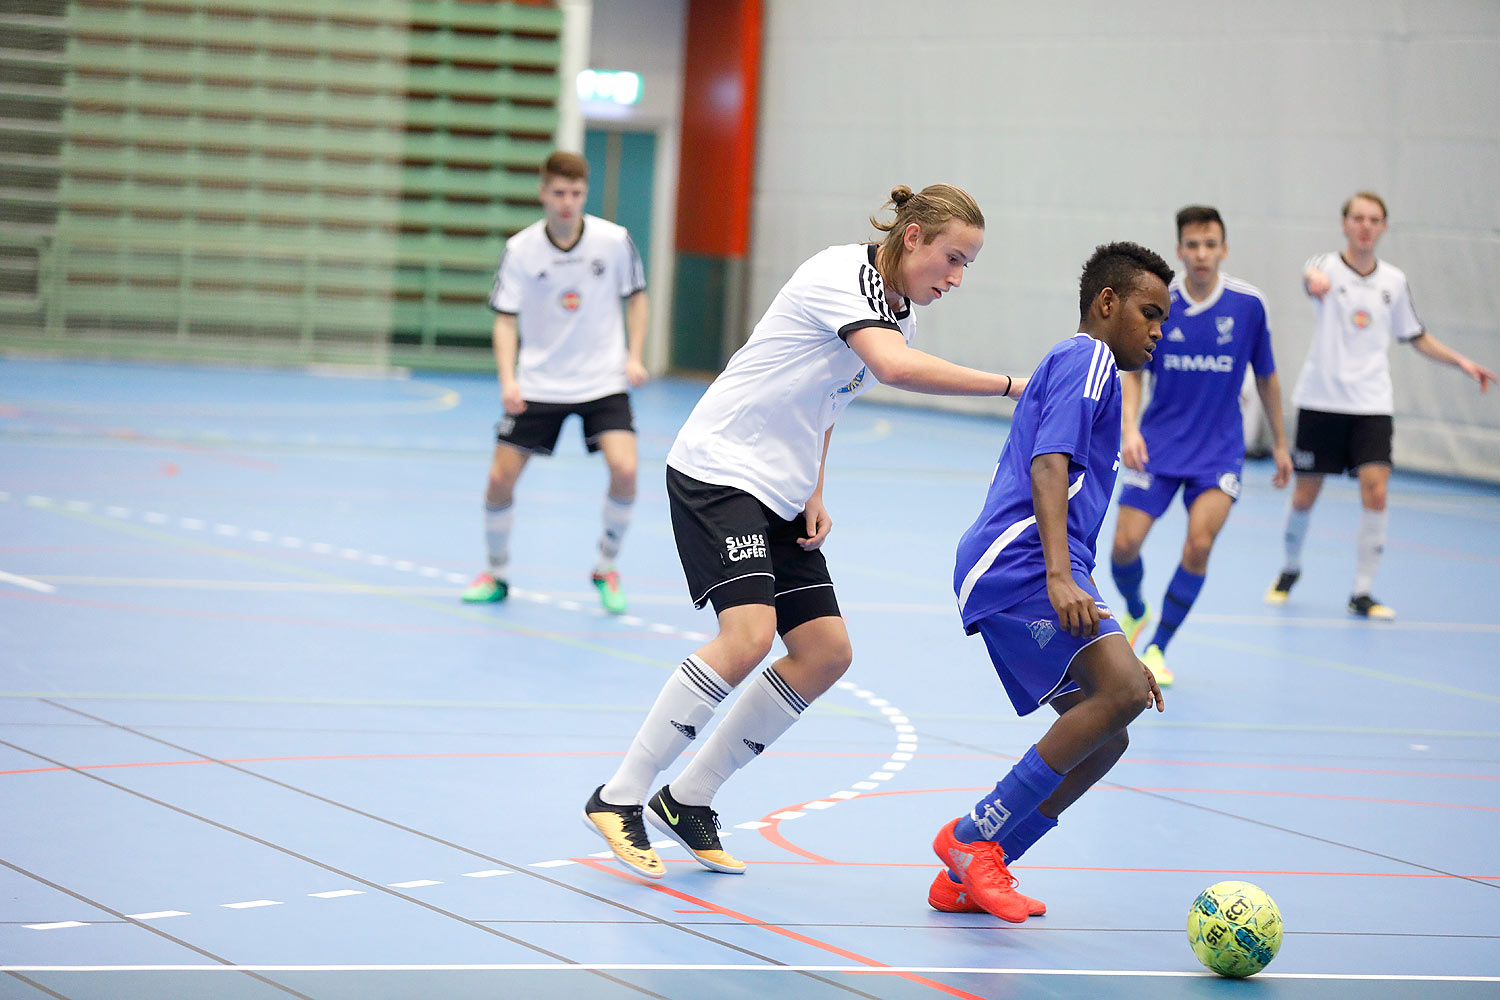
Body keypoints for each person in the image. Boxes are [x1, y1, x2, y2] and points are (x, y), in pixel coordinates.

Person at [582, 184, 1029, 879]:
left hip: (782, 493)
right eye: (952, 258)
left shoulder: (898, 311)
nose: (957, 278)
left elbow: (827, 399)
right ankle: (620, 796)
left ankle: (689, 797)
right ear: (911, 236)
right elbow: (892, 368)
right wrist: (1012, 387)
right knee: (749, 636)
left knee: (824, 653)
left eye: (967, 264)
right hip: (721, 469)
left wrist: (815, 487)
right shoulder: (840, 275)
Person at [930, 242, 1170, 923]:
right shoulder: (1088, 358)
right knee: (1119, 690)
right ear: (1106, 303)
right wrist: (1061, 576)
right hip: (1018, 565)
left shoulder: (1096, 373)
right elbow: (1049, 466)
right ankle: (972, 839)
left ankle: (976, 870)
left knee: (1110, 729)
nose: (1156, 331)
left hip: (1042, 566)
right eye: (1148, 313)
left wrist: (1106, 626)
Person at [1265, 192, 1495, 619]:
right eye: (1357, 218)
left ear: (1384, 226)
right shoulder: (1325, 267)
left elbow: (1415, 335)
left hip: (1372, 404)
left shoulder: (1394, 281)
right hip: (1321, 401)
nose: (1365, 225)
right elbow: (1309, 276)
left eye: (1374, 219)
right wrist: (1311, 282)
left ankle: (1362, 592)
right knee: (1304, 495)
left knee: (1377, 490)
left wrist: (1461, 362)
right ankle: (1290, 568)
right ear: (1345, 224)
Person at [1108, 207, 1293, 688]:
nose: (1201, 253)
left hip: (1218, 451)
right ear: (1179, 251)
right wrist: (1130, 429)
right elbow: (1133, 371)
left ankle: (1157, 648)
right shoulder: (1158, 302)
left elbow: (1268, 377)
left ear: (1223, 249)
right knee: (1123, 547)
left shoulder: (1248, 305)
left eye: (1210, 244)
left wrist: (1280, 444)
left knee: (1199, 543)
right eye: (1192, 245)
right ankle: (1136, 610)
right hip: (1159, 445)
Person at [462, 151, 649, 614]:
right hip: (539, 383)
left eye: (577, 194)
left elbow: (637, 298)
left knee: (625, 470)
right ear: (544, 193)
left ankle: (606, 566)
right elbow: (505, 321)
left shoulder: (614, 241)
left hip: (601, 380)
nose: (568, 203)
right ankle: (497, 572)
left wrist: (634, 356)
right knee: (498, 478)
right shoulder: (521, 249)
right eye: (559, 193)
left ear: (585, 194)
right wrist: (508, 379)